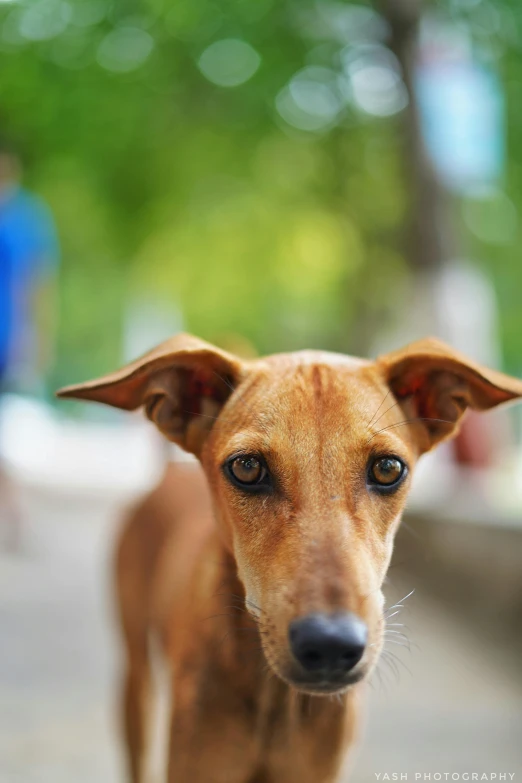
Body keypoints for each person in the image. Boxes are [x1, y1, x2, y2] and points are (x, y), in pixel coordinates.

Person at [0, 142, 59, 547]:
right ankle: (14, 510)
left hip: (7, 336)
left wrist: (38, 337)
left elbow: (38, 285)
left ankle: (14, 510)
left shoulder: (27, 218)